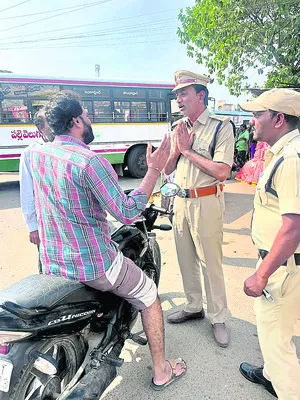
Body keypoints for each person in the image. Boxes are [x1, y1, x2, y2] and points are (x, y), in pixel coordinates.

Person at [30, 91, 186, 391]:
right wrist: (154, 168)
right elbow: (127, 212)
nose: (90, 120)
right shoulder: (91, 162)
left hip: (51, 262)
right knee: (149, 295)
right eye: (87, 115)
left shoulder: (38, 154)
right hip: (93, 266)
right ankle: (162, 370)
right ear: (76, 120)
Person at [164, 70, 235, 347]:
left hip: (207, 202)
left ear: (200, 95)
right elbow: (168, 168)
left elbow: (221, 171)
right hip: (180, 202)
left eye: (183, 93)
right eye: (177, 94)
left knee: (210, 263)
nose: (178, 99)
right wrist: (177, 149)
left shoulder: (221, 126)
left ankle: (218, 317)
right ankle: (194, 306)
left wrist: (188, 151)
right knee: (185, 259)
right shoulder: (177, 128)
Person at [238, 88, 300, 399]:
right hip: (281, 263)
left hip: (281, 268)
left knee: (278, 343)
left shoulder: (291, 159)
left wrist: (262, 273)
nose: (251, 120)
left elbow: (293, 228)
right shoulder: (281, 152)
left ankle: (285, 385)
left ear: (278, 119)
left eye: (256, 114)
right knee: (276, 331)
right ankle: (270, 375)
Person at [19, 108, 53, 272]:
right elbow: (27, 192)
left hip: (64, 223)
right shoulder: (30, 153)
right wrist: (33, 226)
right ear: (41, 128)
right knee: (46, 266)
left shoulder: (65, 148)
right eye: (50, 123)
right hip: (44, 224)